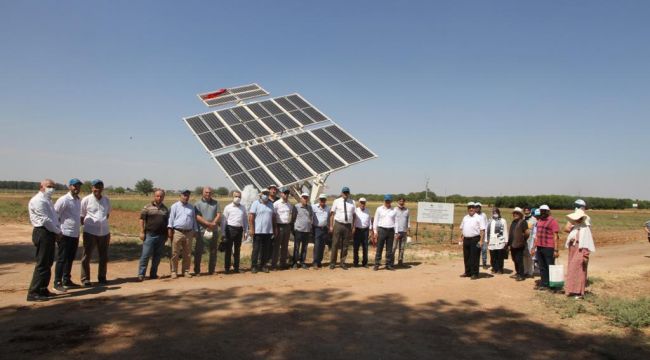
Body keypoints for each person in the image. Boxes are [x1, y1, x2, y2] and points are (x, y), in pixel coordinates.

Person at [26, 179, 62, 301]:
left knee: (48, 263)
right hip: (43, 232)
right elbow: (45, 220)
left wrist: (56, 229)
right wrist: (58, 231)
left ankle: (42, 289)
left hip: (49, 232)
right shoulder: (38, 200)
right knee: (42, 263)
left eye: (53, 187)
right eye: (49, 186)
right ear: (41, 187)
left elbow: (54, 218)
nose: (51, 189)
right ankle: (33, 292)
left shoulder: (47, 200)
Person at [52, 178, 82, 291]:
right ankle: (57, 282)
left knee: (70, 258)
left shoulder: (78, 200)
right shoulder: (64, 200)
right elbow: (55, 215)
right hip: (64, 233)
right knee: (62, 258)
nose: (76, 188)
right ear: (69, 186)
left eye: (78, 186)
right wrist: (57, 230)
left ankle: (67, 280)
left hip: (75, 233)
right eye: (74, 186)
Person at [80, 179, 111, 287]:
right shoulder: (86, 200)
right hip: (90, 232)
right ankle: (85, 279)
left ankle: (102, 278)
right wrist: (89, 226)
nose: (97, 189)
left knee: (103, 256)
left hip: (104, 232)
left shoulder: (106, 200)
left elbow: (107, 215)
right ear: (92, 188)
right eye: (95, 187)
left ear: (102, 188)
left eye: (99, 187)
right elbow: (81, 216)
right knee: (86, 256)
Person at [137, 189, 169, 281]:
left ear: (163, 197)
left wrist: (166, 235)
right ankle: (141, 274)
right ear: (154, 196)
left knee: (157, 256)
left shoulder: (165, 209)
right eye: (157, 196)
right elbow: (142, 219)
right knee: (145, 255)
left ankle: (153, 274)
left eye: (161, 196)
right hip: (149, 235)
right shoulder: (147, 207)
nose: (159, 198)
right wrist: (142, 231)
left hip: (161, 236)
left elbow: (167, 223)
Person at [564, 209, 596, 299]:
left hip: (581, 251)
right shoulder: (575, 227)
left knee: (579, 271)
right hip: (573, 251)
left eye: (579, 218)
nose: (577, 220)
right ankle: (572, 290)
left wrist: (585, 255)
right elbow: (570, 238)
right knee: (572, 270)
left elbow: (587, 242)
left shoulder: (585, 228)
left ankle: (579, 292)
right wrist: (571, 240)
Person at [167, 189, 197, 279]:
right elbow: (171, 219)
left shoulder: (191, 207)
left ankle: (186, 271)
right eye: (184, 195)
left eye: (187, 195)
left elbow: (193, 220)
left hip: (189, 232)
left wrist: (194, 230)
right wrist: (170, 230)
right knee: (175, 253)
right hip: (177, 232)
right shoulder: (174, 206)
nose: (186, 197)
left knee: (187, 253)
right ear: (180, 196)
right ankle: (174, 271)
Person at [194, 187, 221, 275]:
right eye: (206, 192)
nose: (208, 194)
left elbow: (218, 214)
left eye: (209, 192)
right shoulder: (197, 204)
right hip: (202, 231)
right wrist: (207, 223)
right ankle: (197, 271)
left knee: (213, 251)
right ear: (203, 193)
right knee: (199, 251)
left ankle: (212, 270)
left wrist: (213, 223)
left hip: (213, 230)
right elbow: (197, 216)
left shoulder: (216, 203)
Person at [532, 204, 560, 290]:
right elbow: (537, 235)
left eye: (544, 210)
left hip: (549, 247)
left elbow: (556, 236)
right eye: (541, 211)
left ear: (548, 211)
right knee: (542, 266)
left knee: (550, 266)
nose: (542, 212)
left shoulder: (552, 221)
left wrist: (556, 250)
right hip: (539, 247)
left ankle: (553, 286)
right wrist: (533, 247)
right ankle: (544, 284)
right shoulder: (539, 221)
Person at [249, 188, 275, 273]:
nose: (266, 195)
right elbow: (251, 217)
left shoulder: (271, 204)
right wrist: (252, 229)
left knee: (265, 250)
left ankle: (263, 265)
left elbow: (273, 217)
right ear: (261, 194)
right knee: (256, 249)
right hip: (257, 231)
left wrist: (274, 229)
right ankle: (254, 266)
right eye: (264, 193)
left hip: (268, 231)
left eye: (267, 193)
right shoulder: (255, 203)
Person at [329, 186, 356, 270]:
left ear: (349, 193)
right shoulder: (336, 201)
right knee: (335, 244)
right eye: (344, 192)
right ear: (341, 193)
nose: (345, 194)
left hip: (347, 226)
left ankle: (342, 262)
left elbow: (354, 215)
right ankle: (333, 263)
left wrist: (353, 226)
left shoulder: (352, 202)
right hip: (338, 224)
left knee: (345, 245)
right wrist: (331, 226)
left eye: (347, 192)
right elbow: (332, 215)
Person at [221, 191, 247, 274]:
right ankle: (227, 268)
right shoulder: (228, 207)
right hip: (230, 229)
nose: (237, 198)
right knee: (228, 250)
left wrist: (246, 231)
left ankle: (236, 268)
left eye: (239, 197)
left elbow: (245, 220)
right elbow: (224, 221)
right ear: (232, 197)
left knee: (237, 250)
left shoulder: (243, 208)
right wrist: (223, 233)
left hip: (239, 230)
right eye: (236, 196)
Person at [459, 202, 485, 280]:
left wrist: (481, 241)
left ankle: (475, 273)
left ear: (475, 208)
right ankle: (468, 272)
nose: (471, 209)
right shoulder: (465, 217)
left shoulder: (479, 217)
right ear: (467, 209)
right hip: (466, 239)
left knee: (474, 257)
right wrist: (461, 237)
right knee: (466, 257)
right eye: (469, 207)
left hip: (475, 239)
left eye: (472, 207)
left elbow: (482, 230)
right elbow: (462, 228)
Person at [373, 194, 397, 271]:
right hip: (381, 230)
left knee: (389, 249)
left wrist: (396, 232)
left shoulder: (394, 210)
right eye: (386, 200)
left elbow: (396, 222)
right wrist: (375, 231)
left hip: (391, 231)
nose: (387, 202)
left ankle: (388, 265)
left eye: (389, 201)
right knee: (379, 248)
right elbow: (375, 220)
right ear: (384, 201)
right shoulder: (379, 209)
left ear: (391, 201)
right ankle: (376, 264)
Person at [272, 187, 293, 270]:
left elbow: (291, 214)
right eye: (285, 193)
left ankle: (282, 263)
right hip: (279, 226)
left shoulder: (289, 204)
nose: (286, 195)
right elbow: (273, 216)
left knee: (285, 246)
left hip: (287, 226)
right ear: (281, 194)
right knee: (277, 246)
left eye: (287, 193)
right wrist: (275, 228)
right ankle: (274, 264)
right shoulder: (276, 204)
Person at [291, 193, 313, 269]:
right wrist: (293, 230)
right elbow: (293, 219)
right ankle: (294, 263)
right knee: (296, 247)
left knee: (304, 248)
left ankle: (302, 262)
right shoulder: (296, 207)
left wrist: (310, 228)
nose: (305, 199)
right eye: (304, 198)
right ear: (301, 199)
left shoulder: (310, 207)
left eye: (307, 198)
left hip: (306, 231)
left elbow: (310, 217)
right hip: (298, 230)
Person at [509, 207, 530, 281]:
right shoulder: (513, 222)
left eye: (517, 213)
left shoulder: (523, 222)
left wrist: (523, 240)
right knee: (514, 259)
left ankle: (521, 275)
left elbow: (527, 232)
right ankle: (518, 273)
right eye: (514, 213)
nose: (515, 214)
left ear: (520, 214)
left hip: (519, 244)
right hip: (512, 244)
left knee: (519, 260)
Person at [485, 208, 508, 274]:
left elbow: (505, 231)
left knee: (500, 256)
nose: (495, 213)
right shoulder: (490, 221)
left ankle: (500, 269)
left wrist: (506, 240)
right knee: (493, 256)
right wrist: (487, 240)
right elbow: (487, 231)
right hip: (492, 240)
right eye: (493, 212)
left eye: (496, 212)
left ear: (499, 213)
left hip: (500, 240)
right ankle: (494, 268)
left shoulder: (503, 220)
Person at [311, 194, 331, 269]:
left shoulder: (328, 208)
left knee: (322, 246)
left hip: (325, 229)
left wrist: (329, 227)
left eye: (324, 200)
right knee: (317, 245)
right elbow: (311, 216)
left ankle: (319, 261)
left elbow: (329, 218)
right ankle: (315, 262)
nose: (322, 201)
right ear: (319, 200)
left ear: (325, 200)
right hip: (317, 229)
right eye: (321, 199)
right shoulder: (314, 207)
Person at [353, 197, 372, 267]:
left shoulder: (368, 211)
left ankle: (365, 263)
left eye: (364, 203)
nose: (362, 204)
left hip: (365, 231)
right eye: (361, 202)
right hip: (357, 230)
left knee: (365, 247)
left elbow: (370, 221)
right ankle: (355, 262)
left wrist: (370, 230)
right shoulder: (355, 211)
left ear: (365, 203)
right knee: (356, 247)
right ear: (359, 203)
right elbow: (353, 220)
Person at [393, 197, 410, 267]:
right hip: (396, 232)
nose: (401, 202)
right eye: (400, 201)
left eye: (403, 201)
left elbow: (408, 220)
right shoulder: (394, 210)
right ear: (398, 202)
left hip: (404, 231)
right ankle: (391, 262)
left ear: (404, 202)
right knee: (394, 247)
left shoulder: (407, 210)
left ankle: (400, 262)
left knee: (402, 248)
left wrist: (408, 228)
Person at [523, 207, 537, 278]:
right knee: (524, 256)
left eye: (527, 210)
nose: (526, 211)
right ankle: (525, 271)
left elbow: (535, 231)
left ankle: (531, 272)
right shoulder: (522, 219)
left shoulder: (534, 220)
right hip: (523, 240)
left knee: (531, 257)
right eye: (525, 210)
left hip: (531, 240)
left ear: (530, 211)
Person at [475, 202, 489, 268]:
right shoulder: (473, 215)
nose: (477, 208)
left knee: (484, 250)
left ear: (480, 208)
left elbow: (486, 225)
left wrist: (486, 237)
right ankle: (476, 263)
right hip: (476, 237)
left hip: (484, 236)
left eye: (478, 207)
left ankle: (484, 263)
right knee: (476, 251)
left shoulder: (484, 215)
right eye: (476, 207)